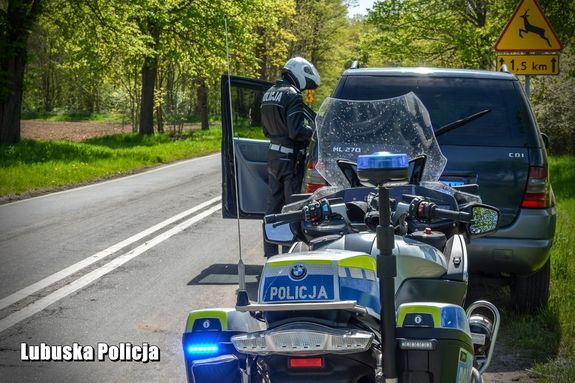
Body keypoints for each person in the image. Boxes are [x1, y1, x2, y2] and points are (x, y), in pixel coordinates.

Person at [261, 57, 320, 257]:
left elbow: (266, 130)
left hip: (273, 157)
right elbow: (295, 132)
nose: (305, 90)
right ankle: (289, 255)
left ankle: (270, 254)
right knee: (291, 210)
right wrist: (313, 132)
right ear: (299, 73)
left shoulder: (269, 93)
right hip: (290, 160)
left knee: (272, 209)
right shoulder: (292, 95)